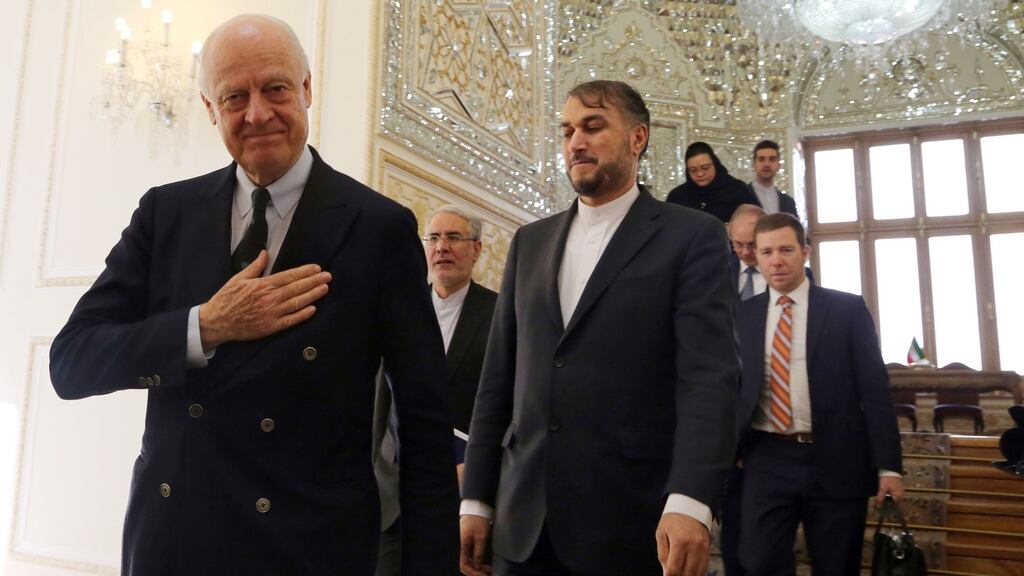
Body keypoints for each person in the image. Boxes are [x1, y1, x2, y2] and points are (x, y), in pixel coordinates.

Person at [48, 14, 458, 575]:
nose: (257, 113)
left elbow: (424, 426)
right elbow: (71, 363)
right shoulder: (165, 214)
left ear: (307, 89)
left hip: (309, 545)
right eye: (234, 96)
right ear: (209, 108)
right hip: (174, 540)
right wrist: (205, 327)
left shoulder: (378, 228)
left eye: (276, 88)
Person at [460, 80, 739, 576]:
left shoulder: (691, 237)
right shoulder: (529, 243)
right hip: (522, 524)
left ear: (637, 138)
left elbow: (708, 379)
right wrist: (476, 499)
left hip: (631, 520)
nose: (575, 142)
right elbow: (497, 381)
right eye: (567, 130)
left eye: (593, 126)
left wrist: (692, 498)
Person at [734, 213, 904, 576]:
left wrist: (889, 466)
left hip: (835, 457)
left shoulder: (846, 309)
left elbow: (874, 389)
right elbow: (727, 388)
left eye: (785, 250)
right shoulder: (740, 315)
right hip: (767, 457)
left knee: (836, 565)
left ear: (805, 252)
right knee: (758, 562)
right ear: (756, 258)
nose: (775, 260)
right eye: (766, 252)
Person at [374, 204, 498, 576]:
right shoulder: (399, 311)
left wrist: (476, 471)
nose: (442, 247)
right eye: (434, 238)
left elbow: (513, 406)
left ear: (476, 249)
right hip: (394, 502)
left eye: (454, 237)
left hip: (464, 500)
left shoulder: (501, 314)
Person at [666, 141, 761, 223]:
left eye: (705, 168)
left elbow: (757, 220)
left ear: (715, 164)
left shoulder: (736, 190)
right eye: (693, 170)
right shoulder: (678, 196)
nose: (699, 174)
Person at [748, 140, 799, 218]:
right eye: (761, 159)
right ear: (753, 164)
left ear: (779, 165)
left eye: (772, 159)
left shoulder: (788, 202)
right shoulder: (741, 196)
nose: (767, 164)